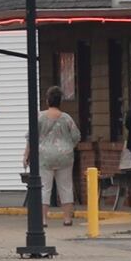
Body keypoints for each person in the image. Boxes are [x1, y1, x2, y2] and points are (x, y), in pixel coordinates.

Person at [23, 86, 80, 226]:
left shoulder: (40, 117)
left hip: (44, 155)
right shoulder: (67, 118)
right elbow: (76, 136)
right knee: (66, 186)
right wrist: (67, 146)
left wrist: (26, 155)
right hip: (64, 155)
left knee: (44, 187)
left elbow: (31, 137)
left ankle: (43, 219)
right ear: (60, 101)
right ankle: (67, 218)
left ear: (48, 100)